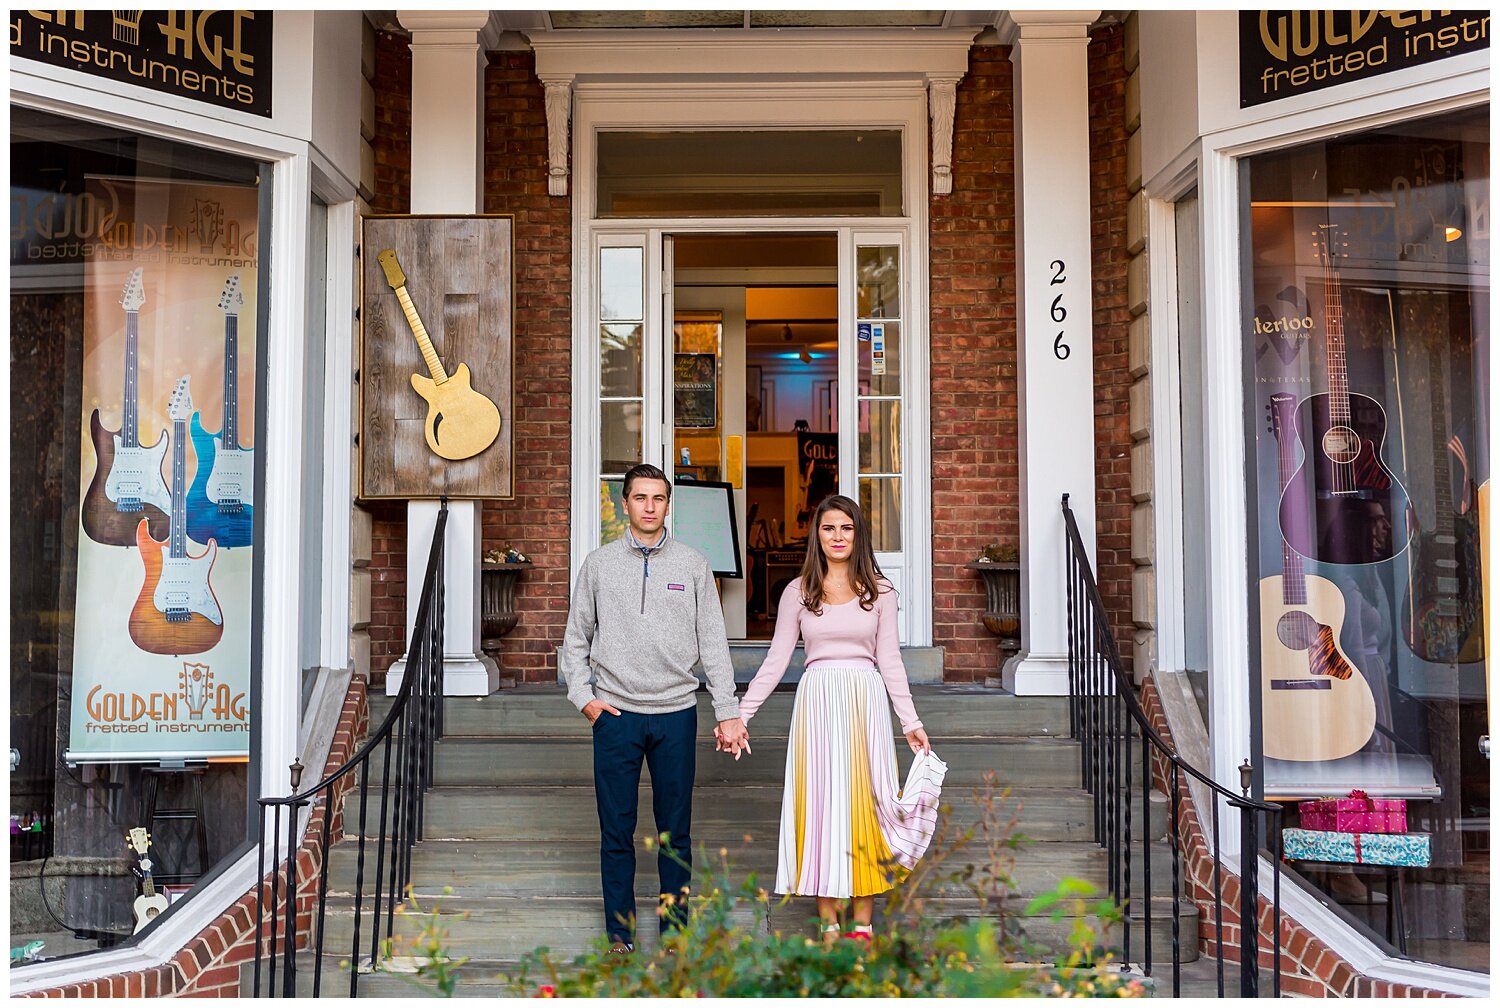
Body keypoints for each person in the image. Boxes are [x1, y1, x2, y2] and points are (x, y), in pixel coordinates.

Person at [727, 494, 942, 945]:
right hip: (817, 704)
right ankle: (827, 925)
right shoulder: (798, 591)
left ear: (858, 534)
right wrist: (739, 715)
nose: (837, 536)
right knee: (822, 807)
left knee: (869, 803)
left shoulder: (881, 592)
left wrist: (910, 721)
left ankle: (862, 925)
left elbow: (891, 661)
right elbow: (775, 660)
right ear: (817, 535)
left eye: (846, 528)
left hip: (866, 701)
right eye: (828, 528)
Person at [562, 463, 749, 954]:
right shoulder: (599, 565)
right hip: (616, 715)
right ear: (624, 504)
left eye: (658, 498)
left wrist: (727, 711)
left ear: (669, 504)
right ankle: (620, 935)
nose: (649, 506)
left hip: (675, 713)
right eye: (640, 498)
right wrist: (585, 699)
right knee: (617, 830)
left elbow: (713, 644)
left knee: (675, 834)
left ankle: (674, 932)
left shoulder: (692, 564)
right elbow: (575, 639)